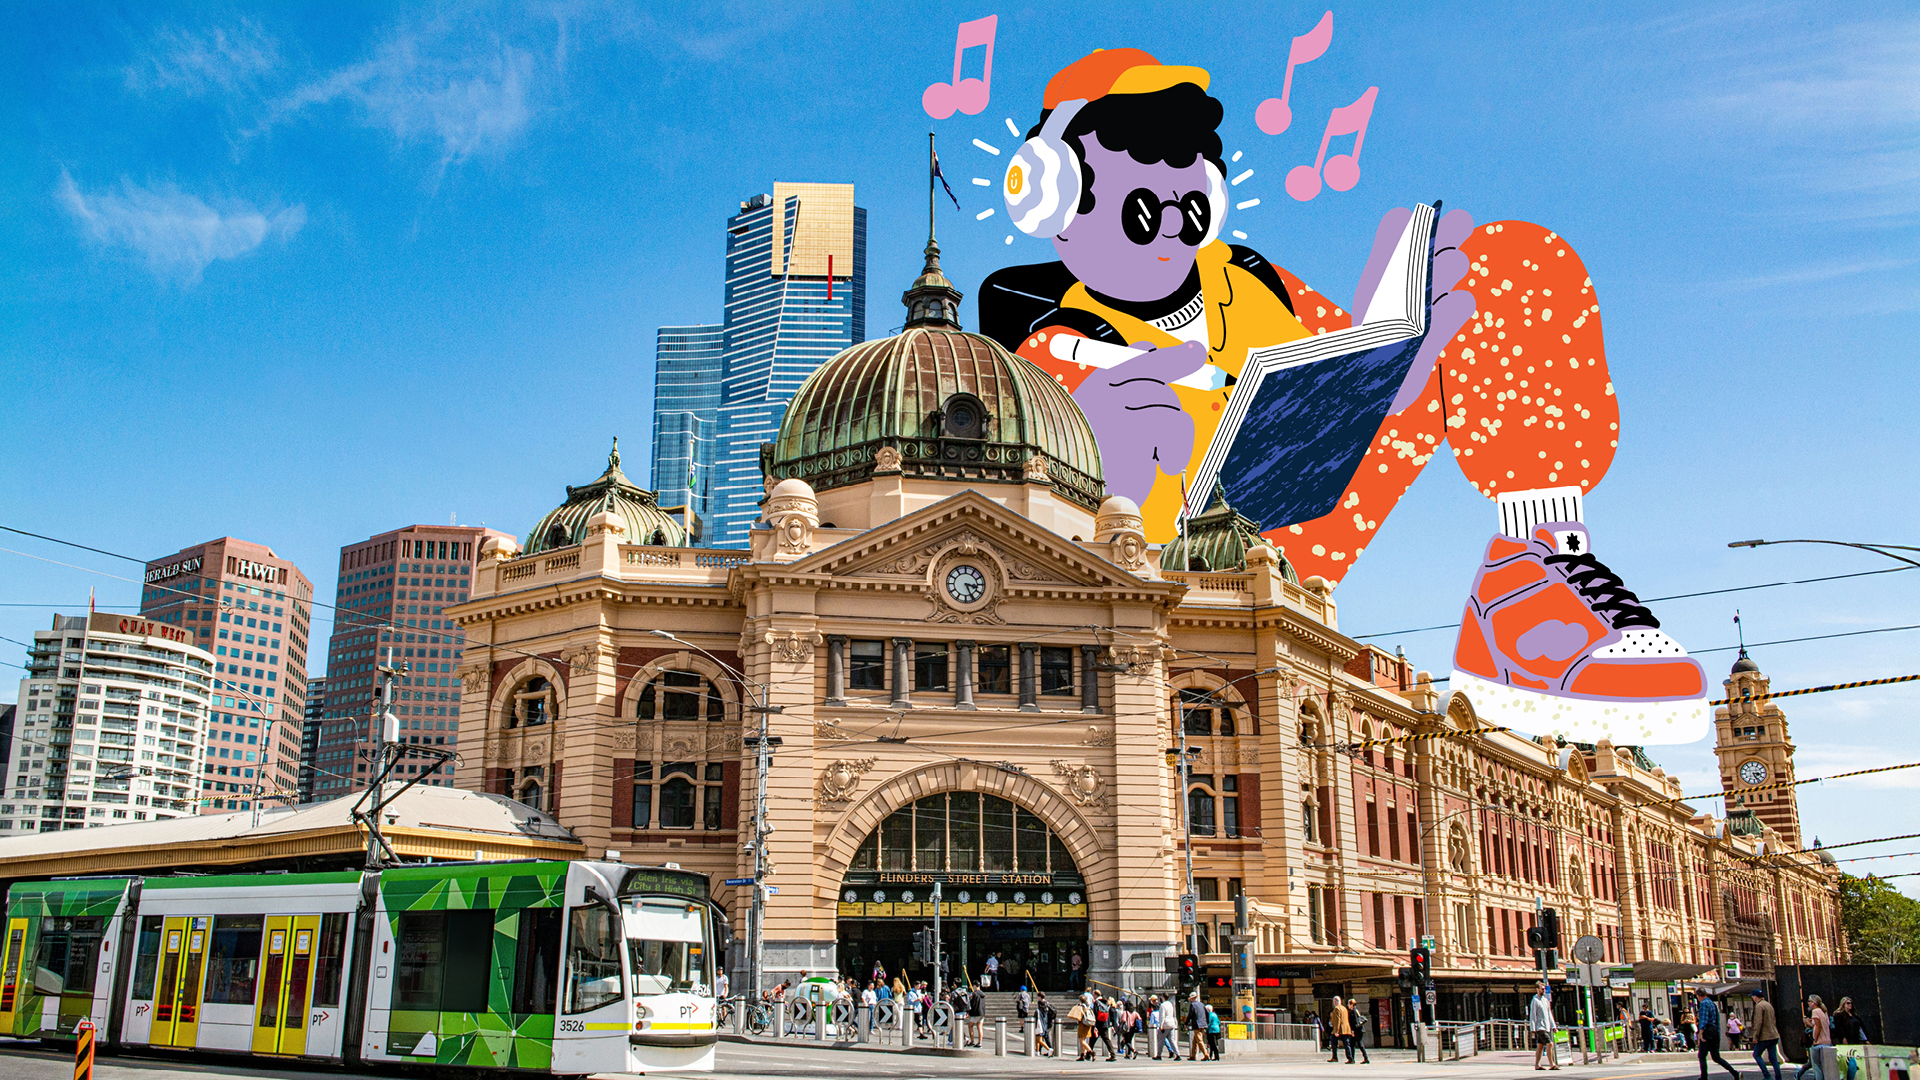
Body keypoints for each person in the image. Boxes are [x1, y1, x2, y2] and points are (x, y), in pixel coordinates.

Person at [979, 49, 1707, 735]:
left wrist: (1395, 362)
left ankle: (1531, 582)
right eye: (1144, 210)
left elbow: (1337, 372)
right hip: (1160, 564)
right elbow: (1028, 514)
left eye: (1190, 209)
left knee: (1506, 261)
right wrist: (1101, 459)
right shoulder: (1036, 332)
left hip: (1284, 532)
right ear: (1052, 197)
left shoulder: (1248, 277)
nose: (1171, 230)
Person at [1694, 990, 1740, 1080]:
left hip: (1707, 1031)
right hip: (1714, 1031)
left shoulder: (1703, 1004)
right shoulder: (1712, 1004)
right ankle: (1734, 1073)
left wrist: (1701, 1033)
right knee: (1716, 1057)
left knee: (1702, 1055)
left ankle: (1704, 1077)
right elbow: (1717, 1020)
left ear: (1698, 996)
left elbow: (1704, 1020)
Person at [1798, 996, 1833, 1080]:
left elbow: (1817, 1026)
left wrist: (1815, 1039)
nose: (1808, 1003)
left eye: (1809, 1001)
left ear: (1813, 1003)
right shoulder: (1823, 1011)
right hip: (1827, 1042)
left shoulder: (1815, 1011)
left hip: (1819, 1042)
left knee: (1816, 1066)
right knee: (1825, 1066)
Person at [1751, 989, 1783, 1080]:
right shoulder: (1768, 1005)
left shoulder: (1759, 1006)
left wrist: (1755, 1036)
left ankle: (1767, 1076)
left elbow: (1758, 1022)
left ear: (1755, 997)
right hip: (1773, 1034)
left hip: (1764, 1036)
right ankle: (1778, 1077)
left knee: (1756, 1054)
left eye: (1753, 996)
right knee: (1773, 1058)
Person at [1530, 982, 1561, 1071]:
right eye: (1542, 989)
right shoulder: (1535, 1000)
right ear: (1537, 989)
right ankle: (1552, 1064)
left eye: (1544, 989)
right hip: (1540, 1027)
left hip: (1546, 1026)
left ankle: (1537, 1064)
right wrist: (1533, 1029)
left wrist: (1553, 1026)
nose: (1543, 990)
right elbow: (1533, 1015)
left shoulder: (1545, 1000)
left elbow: (1549, 1014)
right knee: (1550, 1043)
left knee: (1540, 1046)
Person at [1189, 991, 1211, 1060]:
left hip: (1197, 1025)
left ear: (1192, 998)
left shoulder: (1192, 1005)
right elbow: (1207, 1013)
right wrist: (1206, 1022)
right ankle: (1193, 1055)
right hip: (1203, 1024)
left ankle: (1206, 1055)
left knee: (1199, 1040)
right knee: (1194, 1041)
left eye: (1191, 999)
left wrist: (1186, 1023)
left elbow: (1190, 1015)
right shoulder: (1202, 1004)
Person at [1329, 996, 1352, 1063]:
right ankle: (1350, 1058)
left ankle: (1334, 1057)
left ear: (1335, 1002)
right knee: (1346, 1044)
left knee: (1333, 1042)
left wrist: (1336, 1031)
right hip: (1346, 1029)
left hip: (1340, 1029)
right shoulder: (1344, 1008)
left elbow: (1337, 1020)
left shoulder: (1336, 1009)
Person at [1158, 994, 1181, 1061]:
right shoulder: (1170, 1004)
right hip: (1171, 1024)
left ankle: (1159, 1055)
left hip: (1165, 1024)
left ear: (1163, 997)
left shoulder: (1162, 1005)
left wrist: (1161, 1025)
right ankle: (1178, 1054)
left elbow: (1162, 1016)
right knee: (1172, 1040)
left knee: (1161, 1040)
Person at [1037, 990, 1058, 1057]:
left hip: (1044, 1023)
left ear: (1040, 997)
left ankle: (1049, 1049)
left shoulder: (1041, 1004)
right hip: (1048, 1022)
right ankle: (1040, 1050)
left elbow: (1042, 1015)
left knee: (1044, 1036)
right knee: (1044, 1037)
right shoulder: (1047, 1003)